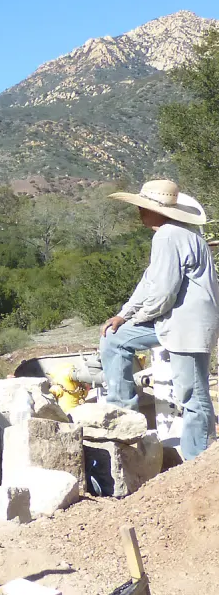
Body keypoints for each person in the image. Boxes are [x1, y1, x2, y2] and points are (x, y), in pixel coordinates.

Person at [99, 179, 217, 461]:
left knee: (192, 391)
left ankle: (197, 459)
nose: (140, 212)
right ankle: (123, 415)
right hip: (178, 321)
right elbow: (149, 281)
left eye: (143, 207)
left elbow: (163, 291)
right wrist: (124, 315)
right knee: (115, 339)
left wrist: (138, 317)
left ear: (157, 211)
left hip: (186, 324)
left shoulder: (167, 236)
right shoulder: (178, 235)